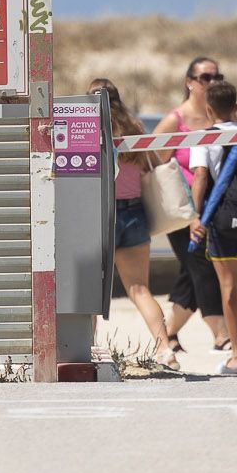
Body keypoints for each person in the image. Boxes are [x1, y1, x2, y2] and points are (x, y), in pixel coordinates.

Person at [89, 78, 177, 371]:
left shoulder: (88, 128)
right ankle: (165, 349)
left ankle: (87, 349)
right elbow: (151, 160)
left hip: (101, 213)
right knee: (140, 289)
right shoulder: (134, 127)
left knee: (90, 289)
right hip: (135, 212)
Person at [153, 57, 230, 356]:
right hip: (184, 210)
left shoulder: (219, 118)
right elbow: (153, 160)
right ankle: (221, 334)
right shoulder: (176, 120)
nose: (212, 82)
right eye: (205, 77)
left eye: (217, 76)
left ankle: (168, 334)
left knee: (192, 271)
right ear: (189, 82)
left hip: (216, 207)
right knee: (201, 267)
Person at [187, 78, 237, 375]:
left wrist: (197, 215)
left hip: (220, 217)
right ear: (236, 107)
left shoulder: (204, 137)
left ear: (208, 109)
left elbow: (201, 177)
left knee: (228, 288)